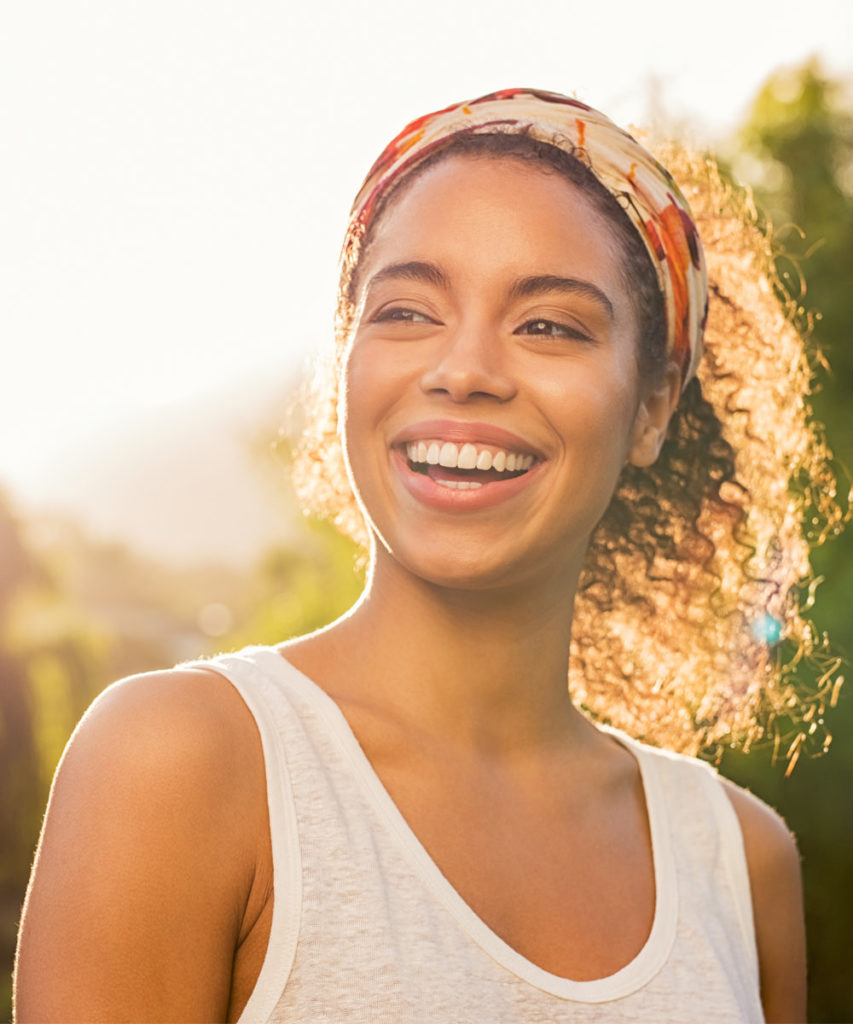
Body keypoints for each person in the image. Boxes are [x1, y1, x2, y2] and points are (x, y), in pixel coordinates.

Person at [15, 87, 841, 1023]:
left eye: (548, 325)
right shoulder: (181, 763)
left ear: (651, 407)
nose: (463, 370)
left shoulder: (738, 862)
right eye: (406, 311)